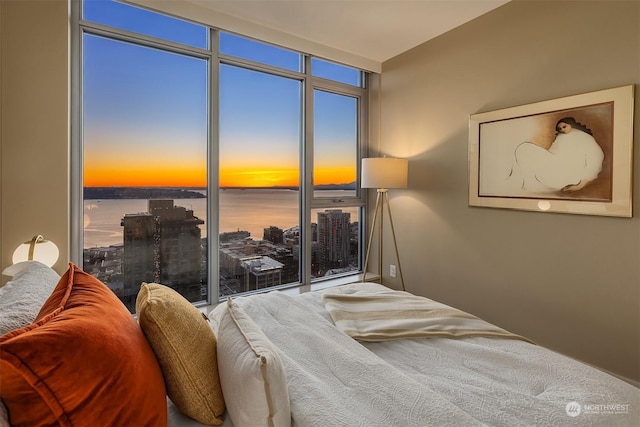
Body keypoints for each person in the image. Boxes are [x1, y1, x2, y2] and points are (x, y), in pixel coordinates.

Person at [507, 117, 604, 194]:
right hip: (555, 168)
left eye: (564, 126)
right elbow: (553, 155)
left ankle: (527, 184)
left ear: (571, 125)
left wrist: (580, 185)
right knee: (524, 148)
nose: (562, 129)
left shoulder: (585, 138)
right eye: (559, 128)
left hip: (569, 174)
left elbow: (595, 160)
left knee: (525, 148)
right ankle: (525, 183)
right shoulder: (561, 138)